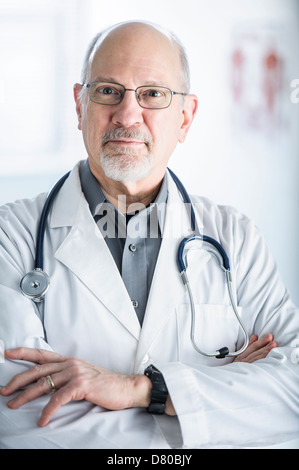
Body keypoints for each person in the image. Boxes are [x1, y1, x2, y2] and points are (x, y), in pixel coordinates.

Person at [0, 20, 298, 450]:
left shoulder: (236, 237)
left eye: (152, 94)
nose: (126, 114)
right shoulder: (11, 237)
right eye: (107, 90)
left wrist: (144, 390)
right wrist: (220, 401)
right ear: (79, 104)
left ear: (185, 117)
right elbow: (21, 421)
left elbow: (292, 396)